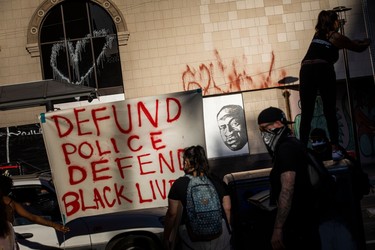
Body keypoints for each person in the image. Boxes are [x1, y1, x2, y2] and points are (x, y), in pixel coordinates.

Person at [299, 10, 371, 160]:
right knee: (329, 110)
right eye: (337, 20)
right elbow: (356, 47)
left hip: (306, 70)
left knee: (307, 113)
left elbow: (348, 42)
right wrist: (367, 42)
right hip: (322, 69)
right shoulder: (334, 36)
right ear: (332, 22)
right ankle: (335, 148)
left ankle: (301, 150)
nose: (339, 23)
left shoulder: (318, 34)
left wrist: (356, 41)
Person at [257, 107, 321, 250]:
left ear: (278, 124)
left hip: (298, 225)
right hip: (307, 221)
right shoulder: (294, 143)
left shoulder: (285, 149)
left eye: (264, 129)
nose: (263, 135)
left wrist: (278, 228)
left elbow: (287, 188)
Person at [163, 145, 232, 250]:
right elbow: (227, 208)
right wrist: (227, 230)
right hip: (220, 235)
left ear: (186, 162)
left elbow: (172, 213)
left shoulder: (179, 184)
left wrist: (166, 237)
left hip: (192, 238)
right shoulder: (216, 181)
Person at [0, 175, 70, 234]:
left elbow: (32, 217)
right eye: (9, 189)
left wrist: (54, 225)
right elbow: (32, 217)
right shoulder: (10, 202)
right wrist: (54, 225)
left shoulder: (11, 202)